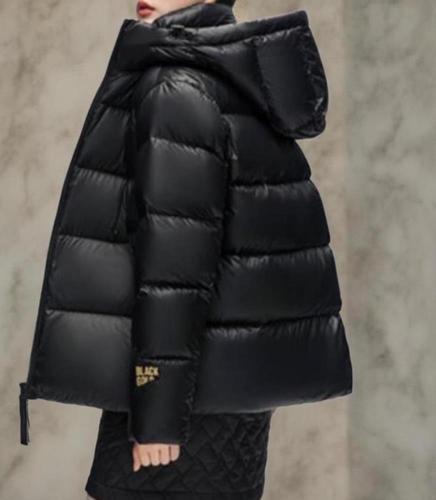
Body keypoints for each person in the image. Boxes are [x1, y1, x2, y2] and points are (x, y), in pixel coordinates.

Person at [18, 0, 353, 498]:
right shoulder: (235, 76)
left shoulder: (176, 85)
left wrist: (156, 411)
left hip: (181, 401)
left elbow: (174, 269)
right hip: (232, 391)